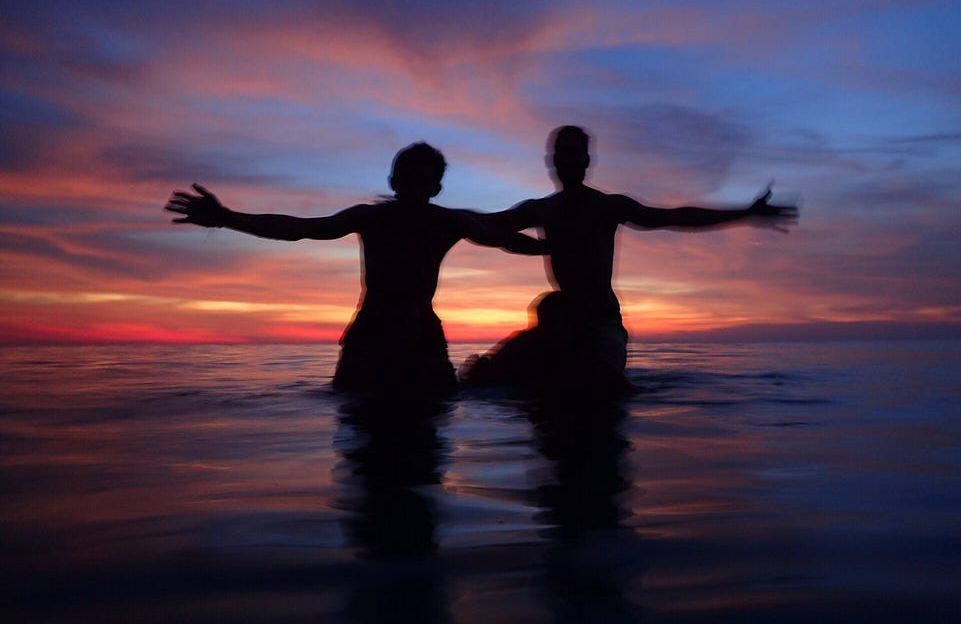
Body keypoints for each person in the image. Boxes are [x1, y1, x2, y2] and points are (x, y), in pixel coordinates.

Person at [165, 142, 546, 394]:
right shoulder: (371, 218)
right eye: (407, 180)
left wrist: (552, 248)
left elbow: (502, 237)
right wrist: (226, 218)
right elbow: (299, 229)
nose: (413, 188)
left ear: (435, 189)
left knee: (435, 405)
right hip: (373, 326)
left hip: (421, 326)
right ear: (393, 182)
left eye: (422, 182)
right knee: (356, 405)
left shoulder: (448, 222)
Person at [462, 125, 798, 391]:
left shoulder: (608, 207)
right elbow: (484, 224)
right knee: (479, 379)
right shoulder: (541, 209)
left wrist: (745, 213)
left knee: (594, 383)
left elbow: (674, 217)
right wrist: (423, 209)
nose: (566, 159)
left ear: (586, 161)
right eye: (559, 153)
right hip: (560, 325)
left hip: (602, 324)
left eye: (573, 152)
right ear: (552, 161)